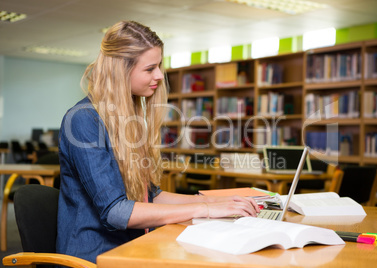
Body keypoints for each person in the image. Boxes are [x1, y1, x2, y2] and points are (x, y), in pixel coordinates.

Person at [56, 20, 259, 263]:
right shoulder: (83, 121)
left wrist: (218, 202)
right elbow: (116, 212)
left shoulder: (128, 119)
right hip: (94, 255)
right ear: (120, 70)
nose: (160, 76)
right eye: (150, 68)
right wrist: (205, 209)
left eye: (159, 66)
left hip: (134, 245)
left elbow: (150, 196)